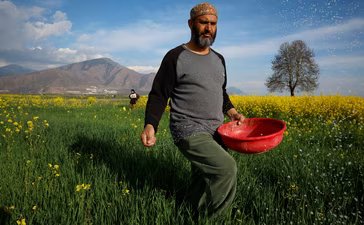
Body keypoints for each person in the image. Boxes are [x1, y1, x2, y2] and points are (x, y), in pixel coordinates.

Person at [140, 2, 245, 219]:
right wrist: (150, 125)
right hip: (187, 128)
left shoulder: (219, 59)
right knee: (226, 169)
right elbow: (159, 93)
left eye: (213, 24)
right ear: (191, 24)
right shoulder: (175, 56)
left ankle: (189, 214)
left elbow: (220, 92)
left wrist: (233, 113)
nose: (209, 28)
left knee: (203, 177)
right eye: (203, 22)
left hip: (216, 130)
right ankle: (210, 219)